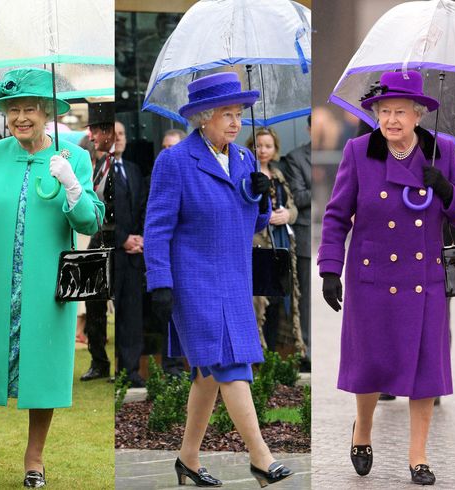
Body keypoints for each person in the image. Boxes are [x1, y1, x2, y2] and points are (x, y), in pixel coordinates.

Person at [319, 70, 455, 486]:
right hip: (371, 279)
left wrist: (444, 188)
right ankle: (363, 430)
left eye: (399, 112)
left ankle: (418, 456)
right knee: (371, 365)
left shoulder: (442, 151)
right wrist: (330, 269)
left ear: (418, 115)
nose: (390, 120)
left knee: (425, 371)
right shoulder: (358, 151)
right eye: (383, 111)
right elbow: (335, 216)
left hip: (425, 280)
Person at [0, 68, 104, 487]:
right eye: (13, 109)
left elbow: (91, 218)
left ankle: (34, 459)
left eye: (29, 109)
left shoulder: (76, 158)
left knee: (45, 367)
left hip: (47, 286)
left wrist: (72, 186)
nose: (20, 117)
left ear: (47, 112)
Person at [144, 72, 293, 488]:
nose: (235, 122)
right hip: (192, 282)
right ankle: (261, 457)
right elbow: (157, 227)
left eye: (238, 114)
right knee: (230, 362)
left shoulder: (245, 160)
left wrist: (261, 195)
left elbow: (252, 222)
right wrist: (159, 281)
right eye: (226, 114)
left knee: (209, 373)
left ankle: (187, 459)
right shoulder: (174, 161)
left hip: (233, 279)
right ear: (203, 117)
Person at [245, 127, 304, 355]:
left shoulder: (279, 174)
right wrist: (263, 215)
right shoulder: (246, 174)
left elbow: (293, 207)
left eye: (268, 146)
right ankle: (257, 351)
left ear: (275, 149)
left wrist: (287, 215)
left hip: (280, 241)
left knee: (278, 297)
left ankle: (271, 353)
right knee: (259, 297)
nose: (263, 150)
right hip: (257, 243)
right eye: (258, 145)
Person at [79, 102, 115, 383]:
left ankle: (120, 365)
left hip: (116, 239)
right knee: (93, 301)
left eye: (93, 131)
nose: (90, 138)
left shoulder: (120, 164)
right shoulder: (102, 162)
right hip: (97, 238)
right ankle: (98, 361)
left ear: (107, 131)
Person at [110, 120, 147, 387]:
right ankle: (109, 368)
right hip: (112, 253)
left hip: (134, 255)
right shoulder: (100, 171)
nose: (119, 138)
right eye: (114, 134)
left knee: (132, 316)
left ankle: (131, 371)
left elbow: (143, 206)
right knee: (110, 314)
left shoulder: (134, 170)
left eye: (122, 134)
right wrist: (122, 239)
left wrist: (140, 238)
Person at [280, 116, 312, 370]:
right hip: (305, 237)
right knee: (307, 298)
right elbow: (299, 196)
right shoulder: (295, 157)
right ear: (310, 129)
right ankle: (307, 352)